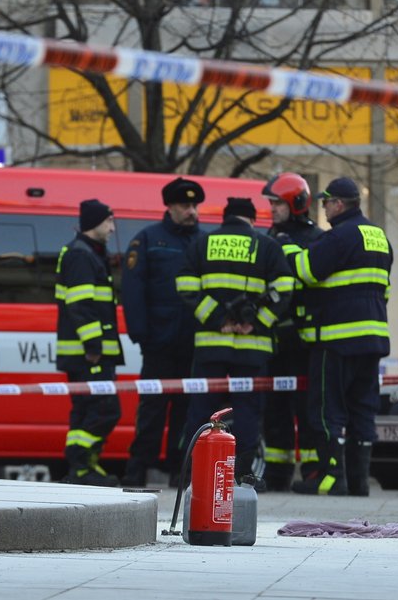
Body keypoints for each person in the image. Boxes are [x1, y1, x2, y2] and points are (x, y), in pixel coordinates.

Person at [176, 197, 295, 482]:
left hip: (211, 344)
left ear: (225, 218)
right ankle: (241, 474)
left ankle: (196, 473)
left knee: (204, 409)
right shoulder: (266, 246)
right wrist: (255, 321)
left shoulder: (201, 244)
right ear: (252, 220)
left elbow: (185, 286)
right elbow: (285, 287)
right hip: (252, 347)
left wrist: (219, 319)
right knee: (247, 411)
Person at [290, 177, 393, 497]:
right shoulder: (379, 237)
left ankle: (333, 478)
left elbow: (306, 271)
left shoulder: (339, 236)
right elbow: (384, 289)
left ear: (337, 204)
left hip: (337, 339)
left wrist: (289, 249)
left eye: (326, 203)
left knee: (327, 410)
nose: (323, 208)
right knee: (363, 410)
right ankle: (359, 482)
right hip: (373, 337)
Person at [120, 177, 205, 488]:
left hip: (193, 344)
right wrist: (141, 334)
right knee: (152, 412)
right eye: (185, 205)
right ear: (169, 207)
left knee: (186, 414)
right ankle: (137, 470)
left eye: (195, 205)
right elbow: (132, 289)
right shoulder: (148, 240)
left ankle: (178, 473)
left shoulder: (203, 242)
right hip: (158, 343)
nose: (192, 211)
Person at [259, 173, 323, 492]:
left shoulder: (316, 239)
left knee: (306, 407)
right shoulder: (270, 237)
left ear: (296, 204)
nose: (271, 209)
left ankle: (312, 470)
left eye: (276, 203)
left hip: (304, 340)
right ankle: (277, 473)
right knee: (275, 410)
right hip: (275, 340)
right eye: (270, 203)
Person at [55, 199, 124, 486]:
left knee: (85, 409)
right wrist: (94, 347)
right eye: (109, 221)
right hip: (90, 354)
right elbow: (81, 305)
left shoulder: (88, 252)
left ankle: (81, 469)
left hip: (86, 354)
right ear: (95, 223)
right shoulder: (82, 255)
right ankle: (81, 461)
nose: (113, 228)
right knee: (106, 408)